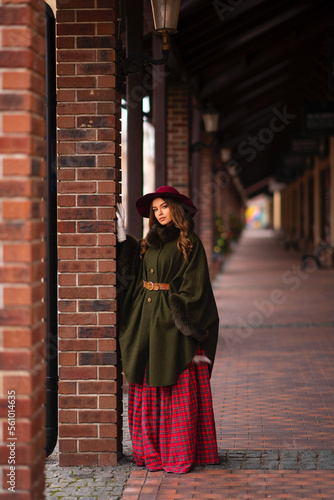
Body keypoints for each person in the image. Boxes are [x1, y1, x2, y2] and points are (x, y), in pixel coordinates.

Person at [116, 186, 219, 473]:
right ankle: (150, 452)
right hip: (144, 321)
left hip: (171, 326)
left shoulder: (190, 242)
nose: (159, 213)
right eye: (155, 209)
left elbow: (196, 288)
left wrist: (176, 313)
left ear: (176, 209)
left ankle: (177, 453)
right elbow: (132, 277)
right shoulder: (147, 244)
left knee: (176, 387)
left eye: (164, 207)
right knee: (146, 388)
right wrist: (124, 241)